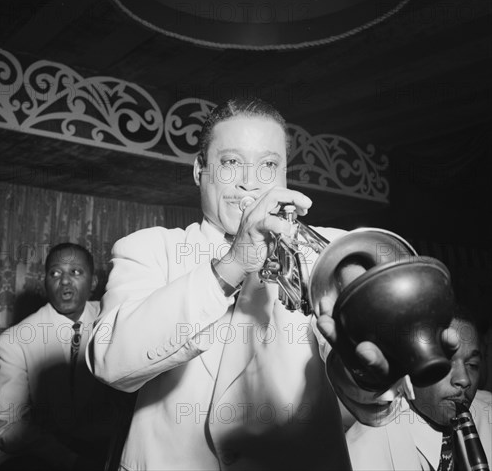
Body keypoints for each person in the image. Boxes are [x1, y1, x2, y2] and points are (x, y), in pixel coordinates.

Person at [87, 98, 458, 471]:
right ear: (200, 170)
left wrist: (368, 376)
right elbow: (111, 361)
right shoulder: (150, 248)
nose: (251, 181)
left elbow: (369, 397)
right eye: (232, 162)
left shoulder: (333, 250)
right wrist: (231, 265)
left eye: (268, 164)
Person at [0, 243, 116, 471]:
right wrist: (70, 460)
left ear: (93, 283)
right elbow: (7, 425)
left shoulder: (114, 320)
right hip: (40, 453)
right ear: (45, 282)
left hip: (105, 449)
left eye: (75, 272)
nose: (64, 281)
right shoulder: (14, 342)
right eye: (55, 273)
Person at [346, 307, 492, 470]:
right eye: (445, 361)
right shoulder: (360, 455)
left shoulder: (488, 414)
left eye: (472, 365)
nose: (464, 380)